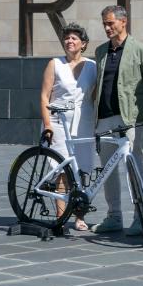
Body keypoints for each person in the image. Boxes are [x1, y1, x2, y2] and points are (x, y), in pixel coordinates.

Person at [90, 5, 143, 235]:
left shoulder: (141, 50)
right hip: (105, 118)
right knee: (107, 170)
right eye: (105, 24)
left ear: (123, 22)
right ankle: (114, 216)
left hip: (130, 119)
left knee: (134, 168)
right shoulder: (100, 52)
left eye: (111, 23)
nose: (107, 28)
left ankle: (140, 218)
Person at [39, 23, 97, 232]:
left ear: (83, 44)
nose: (69, 41)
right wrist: (47, 124)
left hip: (83, 122)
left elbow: (95, 95)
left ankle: (79, 216)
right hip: (58, 122)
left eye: (74, 38)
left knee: (81, 170)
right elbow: (45, 96)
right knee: (63, 170)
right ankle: (61, 215)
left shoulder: (92, 66)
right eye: (67, 38)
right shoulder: (55, 64)